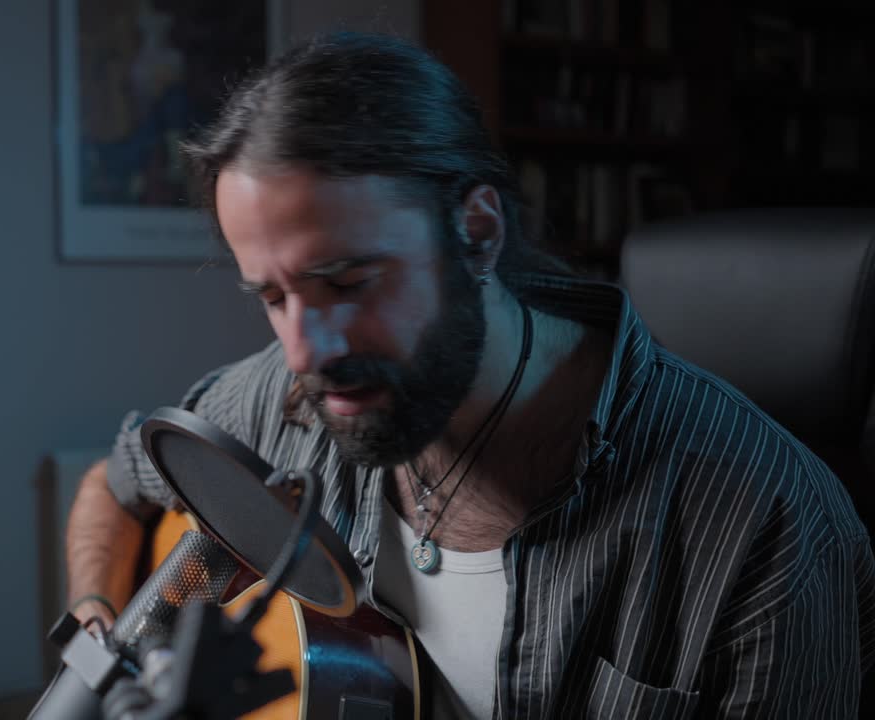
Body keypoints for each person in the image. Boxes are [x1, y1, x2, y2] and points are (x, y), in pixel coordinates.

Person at [64, 32, 875, 718]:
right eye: (274, 297)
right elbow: (118, 479)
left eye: (348, 283)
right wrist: (104, 631)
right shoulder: (286, 399)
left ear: (478, 233)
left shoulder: (766, 528)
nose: (306, 350)